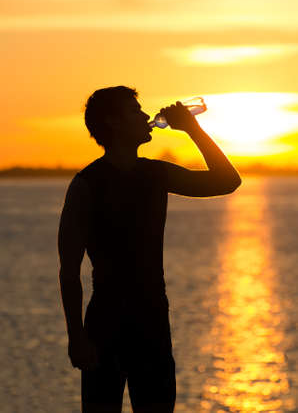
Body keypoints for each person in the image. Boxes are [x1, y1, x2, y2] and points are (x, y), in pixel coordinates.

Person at [58, 86, 241, 413]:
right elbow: (69, 271)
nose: (145, 116)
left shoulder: (156, 174)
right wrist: (76, 338)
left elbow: (227, 181)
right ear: (113, 122)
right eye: (134, 111)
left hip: (152, 320)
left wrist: (194, 130)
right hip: (105, 325)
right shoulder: (87, 185)